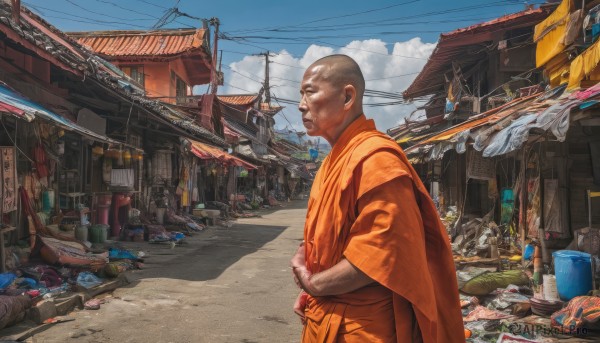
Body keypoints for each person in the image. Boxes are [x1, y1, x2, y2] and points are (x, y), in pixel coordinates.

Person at [290, 55, 464, 343]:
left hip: (362, 327)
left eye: (310, 92)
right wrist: (311, 286)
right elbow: (332, 237)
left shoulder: (377, 159)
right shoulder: (331, 162)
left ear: (347, 96)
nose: (300, 104)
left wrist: (314, 284)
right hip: (325, 317)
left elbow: (378, 255)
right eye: (301, 94)